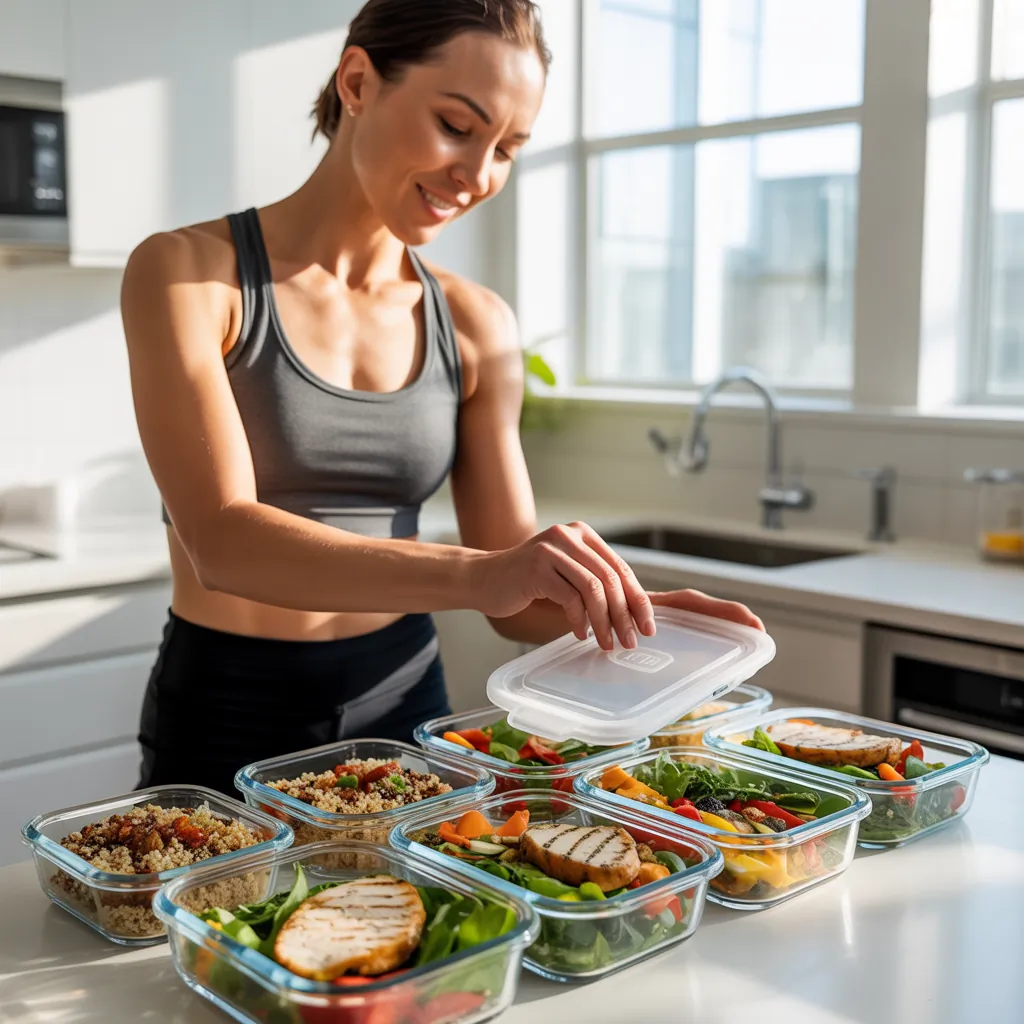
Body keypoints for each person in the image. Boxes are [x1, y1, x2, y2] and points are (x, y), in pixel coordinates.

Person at [122, 0, 763, 796]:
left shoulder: (476, 323)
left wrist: (623, 611)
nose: (479, 174)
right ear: (358, 81)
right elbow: (223, 544)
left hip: (407, 707)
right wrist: (480, 575)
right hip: (229, 710)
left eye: (509, 148)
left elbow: (511, 603)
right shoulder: (190, 275)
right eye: (458, 125)